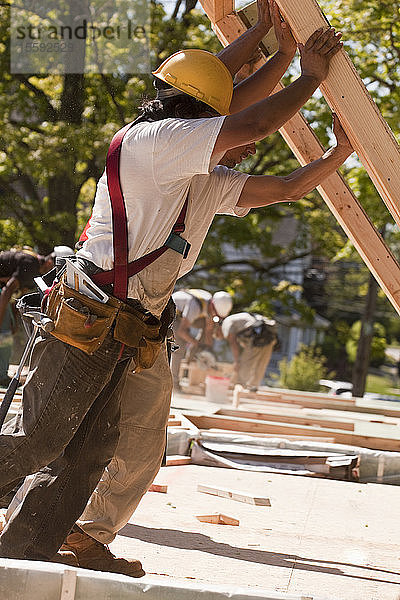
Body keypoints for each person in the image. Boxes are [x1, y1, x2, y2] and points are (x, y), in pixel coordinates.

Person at [0, 0, 352, 576]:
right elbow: (251, 118)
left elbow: (263, 153)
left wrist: (278, 49)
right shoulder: (158, 142)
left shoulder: (193, 171)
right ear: (196, 117)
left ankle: (23, 559)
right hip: (91, 316)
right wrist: (307, 75)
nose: (230, 139)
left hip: (124, 328)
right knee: (39, 440)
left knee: (89, 452)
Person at [0, 246, 74, 386]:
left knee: (6, 332)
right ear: (51, 264)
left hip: (3, 294)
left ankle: (1, 373)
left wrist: (13, 321)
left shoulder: (33, 270)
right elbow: (6, 291)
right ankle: (0, 376)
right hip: (2, 294)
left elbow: (16, 296)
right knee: (3, 334)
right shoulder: (31, 265)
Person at [171, 289, 233, 389]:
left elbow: (208, 330)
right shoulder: (195, 306)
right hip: (173, 314)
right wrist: (196, 343)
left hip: (186, 315)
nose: (214, 316)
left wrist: (208, 349)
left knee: (208, 324)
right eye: (215, 314)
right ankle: (173, 384)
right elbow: (181, 331)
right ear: (213, 306)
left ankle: (194, 354)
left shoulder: (209, 304)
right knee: (179, 346)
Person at [222, 312, 278, 391]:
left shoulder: (227, 323)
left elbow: (233, 342)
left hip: (257, 337)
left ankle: (239, 392)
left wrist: (237, 361)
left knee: (243, 372)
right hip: (270, 336)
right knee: (260, 368)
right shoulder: (239, 318)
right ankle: (252, 390)